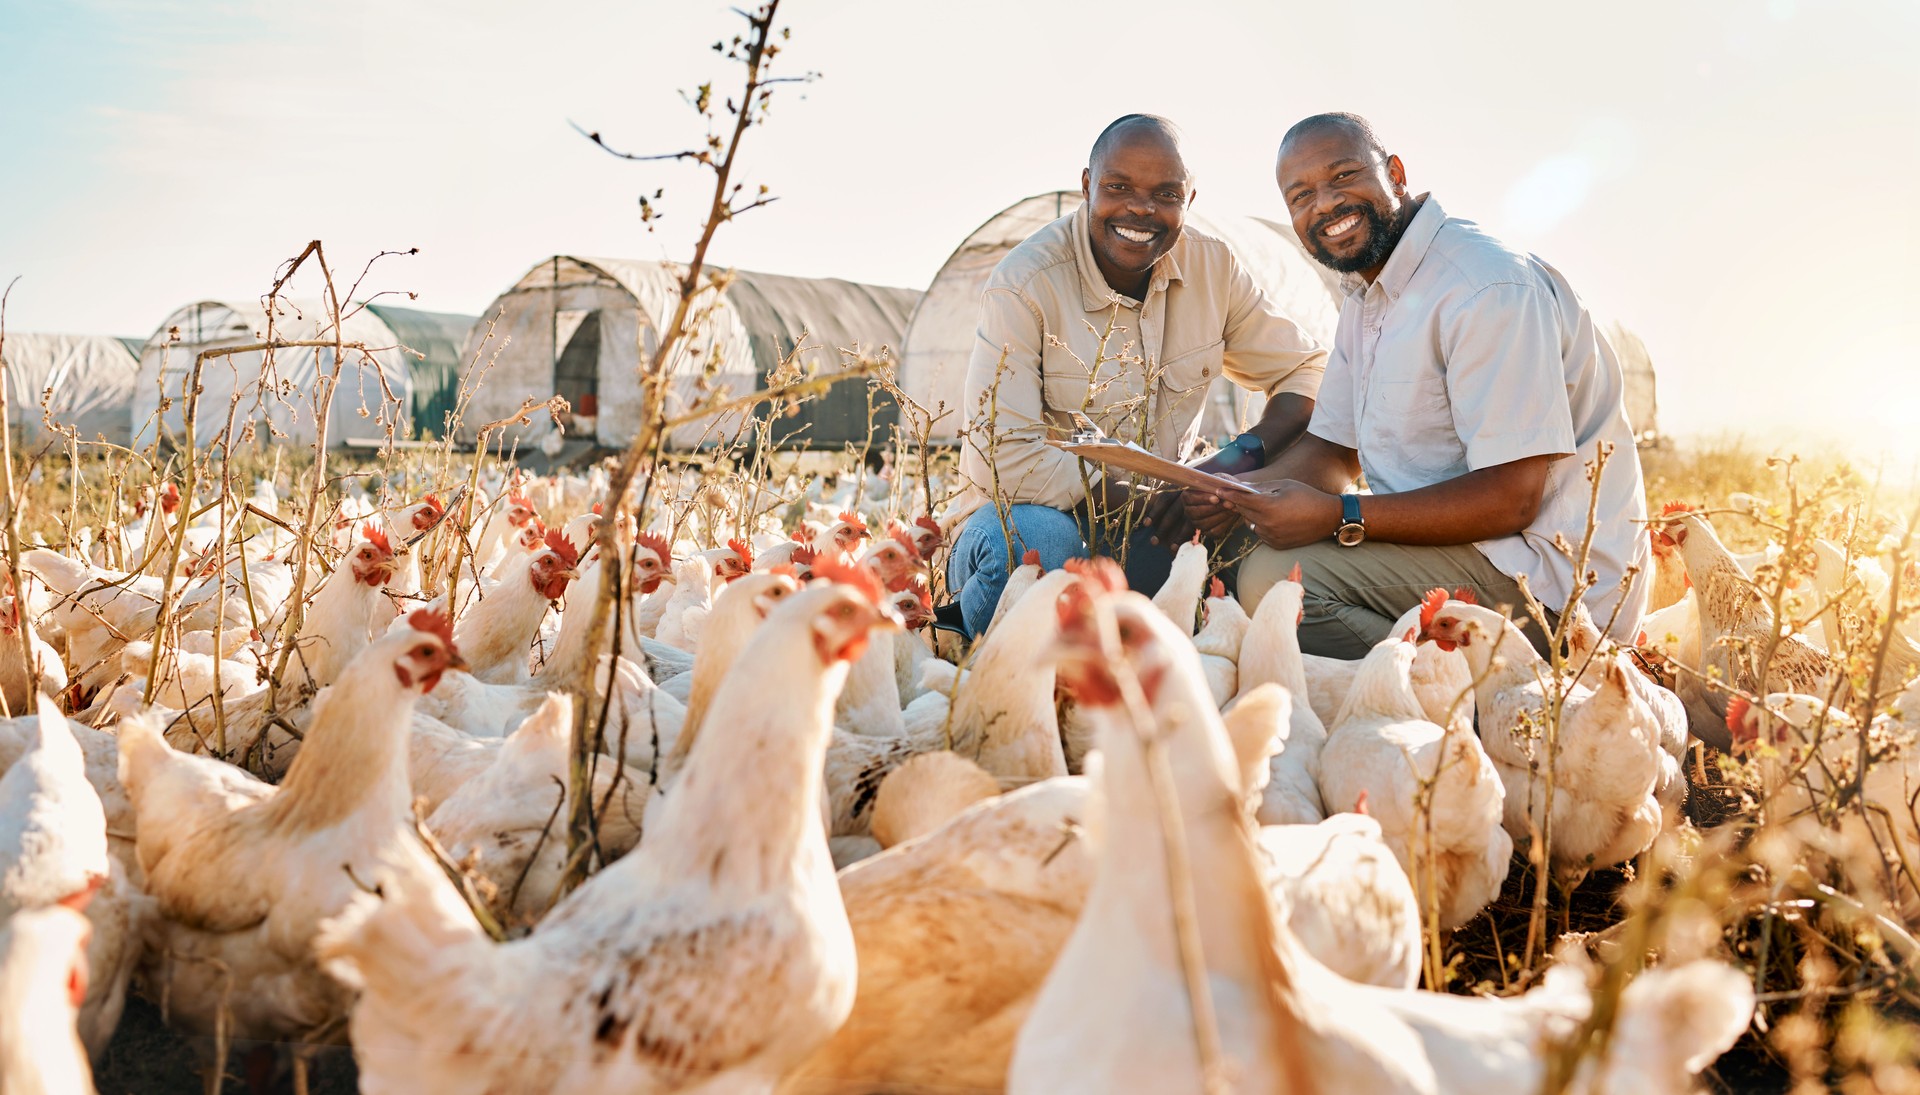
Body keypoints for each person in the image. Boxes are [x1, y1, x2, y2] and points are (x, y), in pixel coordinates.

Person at [1178, 112, 1648, 658]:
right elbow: (1333, 451)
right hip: (1464, 547)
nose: (1324, 204)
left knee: (1279, 580)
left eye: (1344, 176)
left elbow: (1512, 500)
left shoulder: (1484, 287)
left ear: (1395, 174)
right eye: (1300, 196)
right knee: (1237, 545)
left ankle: (1519, 694)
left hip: (1546, 578)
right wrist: (1239, 496)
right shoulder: (1369, 296)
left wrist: (1340, 516)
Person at [944, 114, 1328, 638]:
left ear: (1189, 201)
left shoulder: (1214, 269)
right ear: (1086, 186)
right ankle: (1005, 664)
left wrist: (1230, 470)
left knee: (1279, 556)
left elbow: (1308, 370)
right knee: (1033, 550)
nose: (1140, 210)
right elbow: (1003, 458)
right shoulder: (1026, 281)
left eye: (1166, 194)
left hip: (1163, 522)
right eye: (1118, 187)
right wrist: (1156, 494)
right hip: (1039, 516)